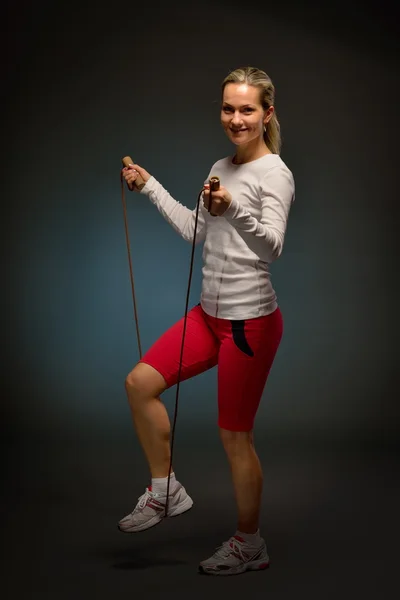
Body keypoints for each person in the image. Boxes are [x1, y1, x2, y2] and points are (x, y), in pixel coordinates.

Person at [118, 66, 295, 576]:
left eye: (247, 109)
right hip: (209, 317)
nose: (236, 119)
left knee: (234, 436)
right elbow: (196, 232)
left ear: (267, 114)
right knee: (138, 384)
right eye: (228, 108)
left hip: (250, 325)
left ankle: (249, 543)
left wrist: (233, 207)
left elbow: (273, 248)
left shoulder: (274, 173)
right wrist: (150, 185)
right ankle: (165, 490)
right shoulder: (222, 163)